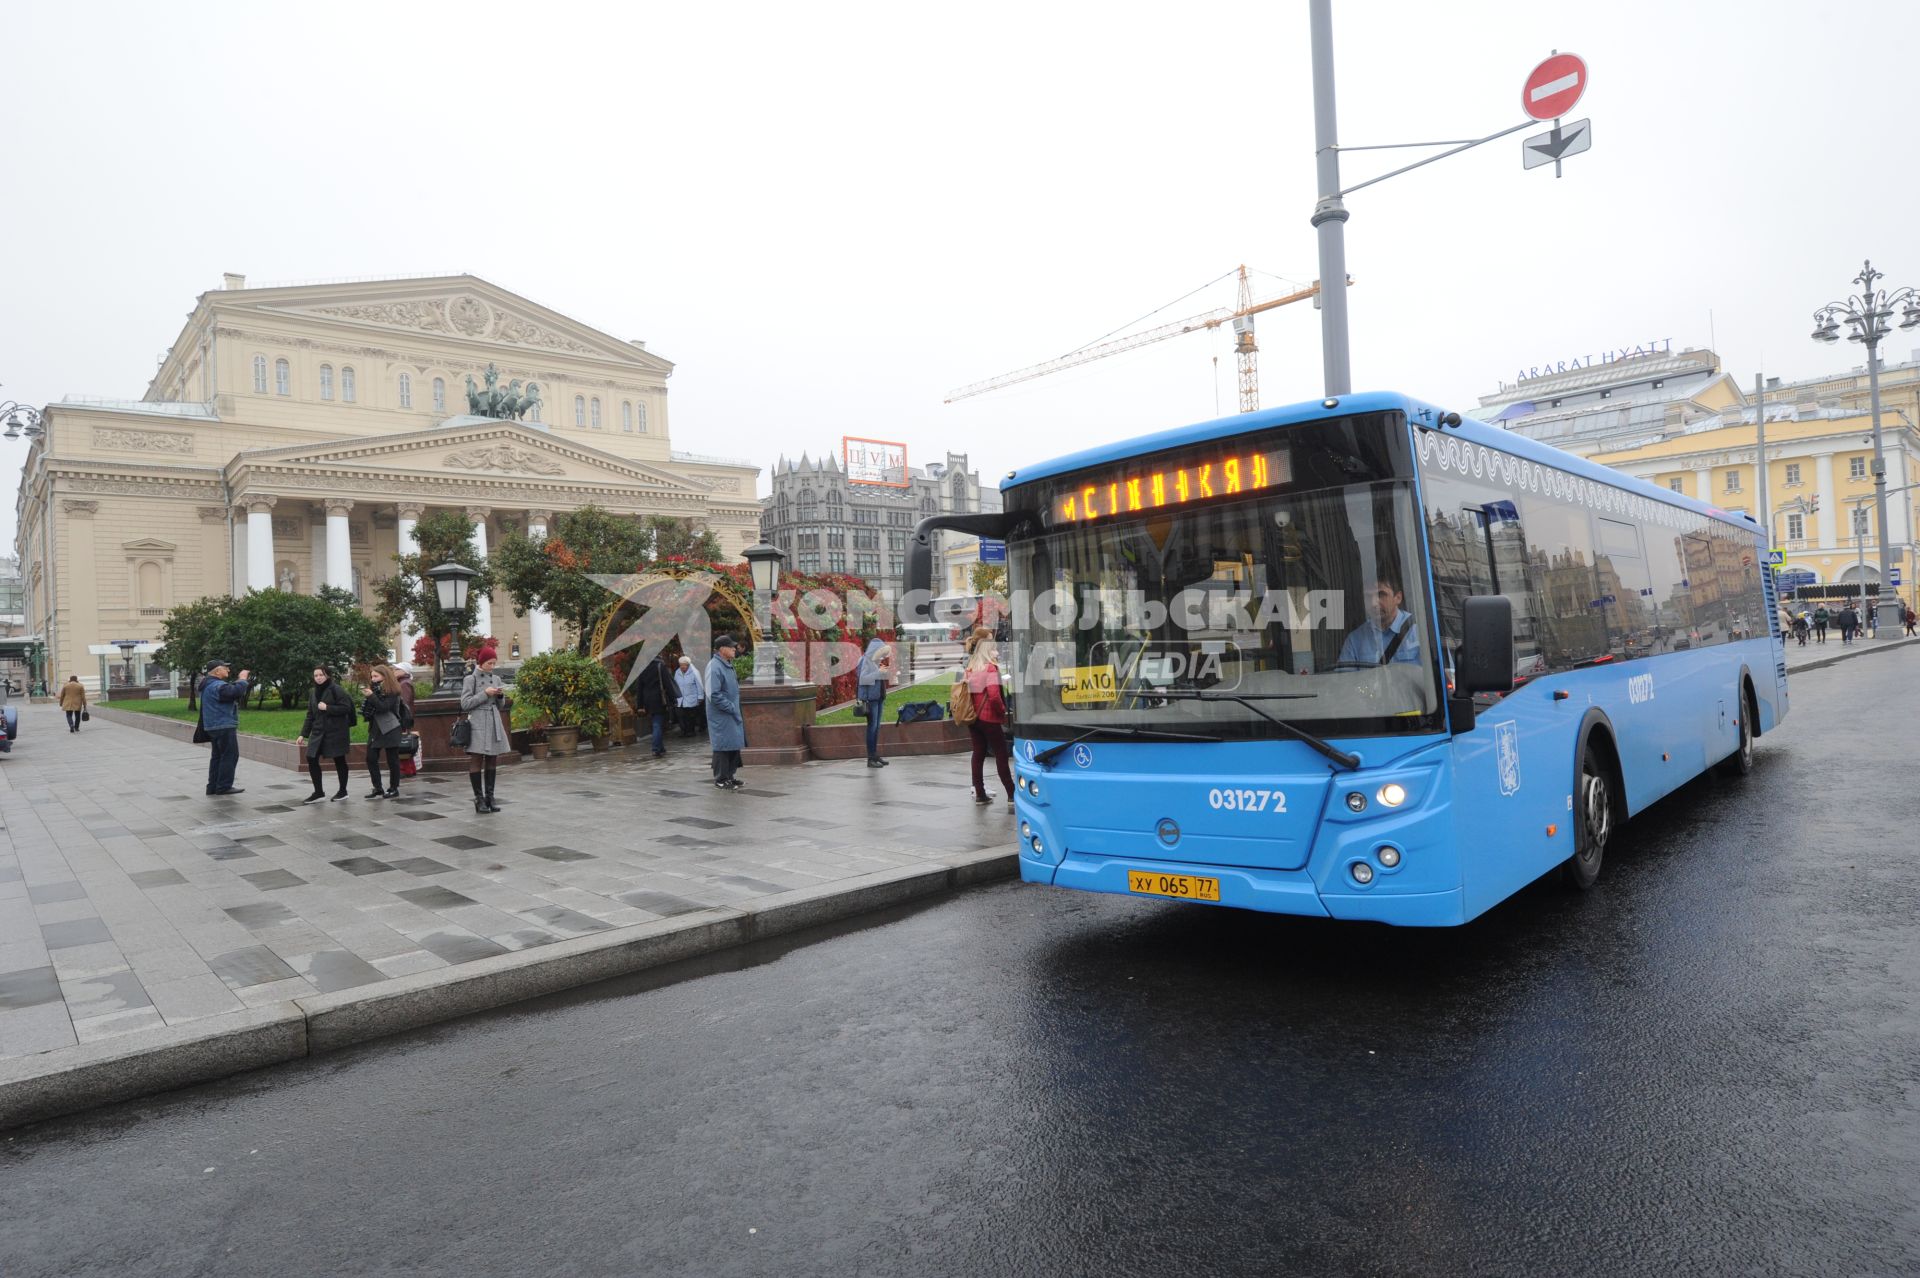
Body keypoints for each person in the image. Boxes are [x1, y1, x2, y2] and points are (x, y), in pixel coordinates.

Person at [962, 627, 1015, 809]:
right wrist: (1002, 710)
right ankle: (1011, 794)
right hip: (989, 718)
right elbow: (993, 696)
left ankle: (980, 794)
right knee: (1001, 755)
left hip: (973, 718)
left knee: (978, 754)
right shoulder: (990, 668)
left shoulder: (969, 667)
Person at [459, 645, 512, 814]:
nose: (492, 666)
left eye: (494, 663)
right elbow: (465, 703)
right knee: (476, 759)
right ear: (481, 662)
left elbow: (500, 705)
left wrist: (500, 696)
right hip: (478, 722)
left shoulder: (496, 679)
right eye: (489, 663)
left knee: (492, 758)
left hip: (494, 720)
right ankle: (479, 798)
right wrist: (485, 694)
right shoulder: (470, 679)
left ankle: (491, 797)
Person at [297, 665, 355, 803]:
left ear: (327, 675)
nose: (318, 678)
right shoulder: (313, 693)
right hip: (318, 731)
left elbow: (346, 708)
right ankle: (318, 792)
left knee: (339, 760)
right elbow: (310, 715)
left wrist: (327, 708)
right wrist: (303, 734)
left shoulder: (337, 689)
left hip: (336, 731)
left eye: (321, 675)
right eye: (316, 675)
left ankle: (343, 791)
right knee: (311, 758)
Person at [1337, 577, 1422, 667]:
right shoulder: (1355, 640)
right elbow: (1345, 678)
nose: (1373, 603)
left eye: (1381, 595)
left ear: (1398, 598)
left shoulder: (1418, 631)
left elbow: (1431, 675)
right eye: (1368, 596)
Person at [198, 659, 252, 796]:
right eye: (225, 668)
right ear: (217, 671)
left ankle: (213, 787)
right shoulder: (217, 685)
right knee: (230, 755)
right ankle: (223, 786)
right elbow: (234, 692)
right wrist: (242, 679)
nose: (228, 670)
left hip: (212, 726)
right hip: (223, 725)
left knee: (217, 756)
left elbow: (228, 691)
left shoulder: (207, 684)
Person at [362, 663, 410, 799]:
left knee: (392, 759)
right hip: (376, 728)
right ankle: (377, 788)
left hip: (391, 727)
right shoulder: (374, 689)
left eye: (376, 676)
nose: (373, 679)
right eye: (372, 676)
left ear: (385, 676)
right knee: (370, 758)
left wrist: (371, 696)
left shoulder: (393, 690)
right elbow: (372, 708)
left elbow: (384, 707)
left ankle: (394, 788)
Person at [706, 634, 746, 790]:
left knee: (732, 745)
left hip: (730, 714)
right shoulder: (714, 666)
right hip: (722, 715)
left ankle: (730, 776)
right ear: (722, 649)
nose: (734, 649)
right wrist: (730, 707)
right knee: (722, 746)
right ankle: (721, 778)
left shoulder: (727, 664)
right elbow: (713, 694)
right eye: (731, 647)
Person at [856, 635, 893, 768]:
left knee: (876, 728)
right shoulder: (866, 661)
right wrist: (878, 673)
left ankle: (875, 755)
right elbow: (863, 679)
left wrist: (883, 672)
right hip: (871, 700)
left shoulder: (875, 661)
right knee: (872, 728)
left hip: (878, 697)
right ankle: (870, 758)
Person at [636, 652, 675, 758]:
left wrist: (639, 705)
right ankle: (656, 748)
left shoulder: (642, 668)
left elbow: (639, 688)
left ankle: (661, 747)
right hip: (659, 699)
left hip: (647, 700)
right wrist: (673, 699)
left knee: (656, 722)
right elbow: (667, 683)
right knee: (657, 724)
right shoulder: (660, 666)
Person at [673, 654, 706, 737]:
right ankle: (683, 731)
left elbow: (699, 685)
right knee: (681, 716)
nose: (682, 667)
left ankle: (690, 731)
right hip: (680, 699)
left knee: (690, 716)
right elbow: (675, 684)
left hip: (692, 697)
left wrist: (700, 697)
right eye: (681, 665)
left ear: (688, 665)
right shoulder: (677, 672)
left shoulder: (695, 672)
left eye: (684, 665)